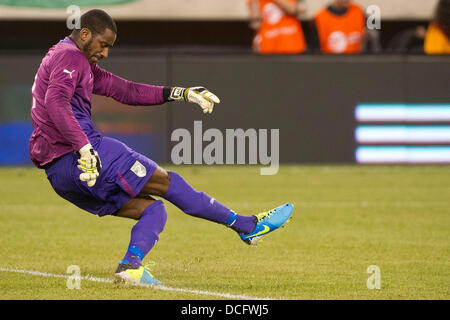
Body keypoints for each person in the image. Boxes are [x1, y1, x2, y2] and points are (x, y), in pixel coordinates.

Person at [29, 9, 293, 285]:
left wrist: (181, 93)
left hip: (61, 177)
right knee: (167, 182)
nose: (105, 53)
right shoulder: (69, 56)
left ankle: (130, 267)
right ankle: (246, 225)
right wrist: (84, 148)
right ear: (84, 34)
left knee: (153, 210)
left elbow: (126, 90)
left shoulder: (72, 60)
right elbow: (55, 103)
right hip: (82, 155)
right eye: (103, 45)